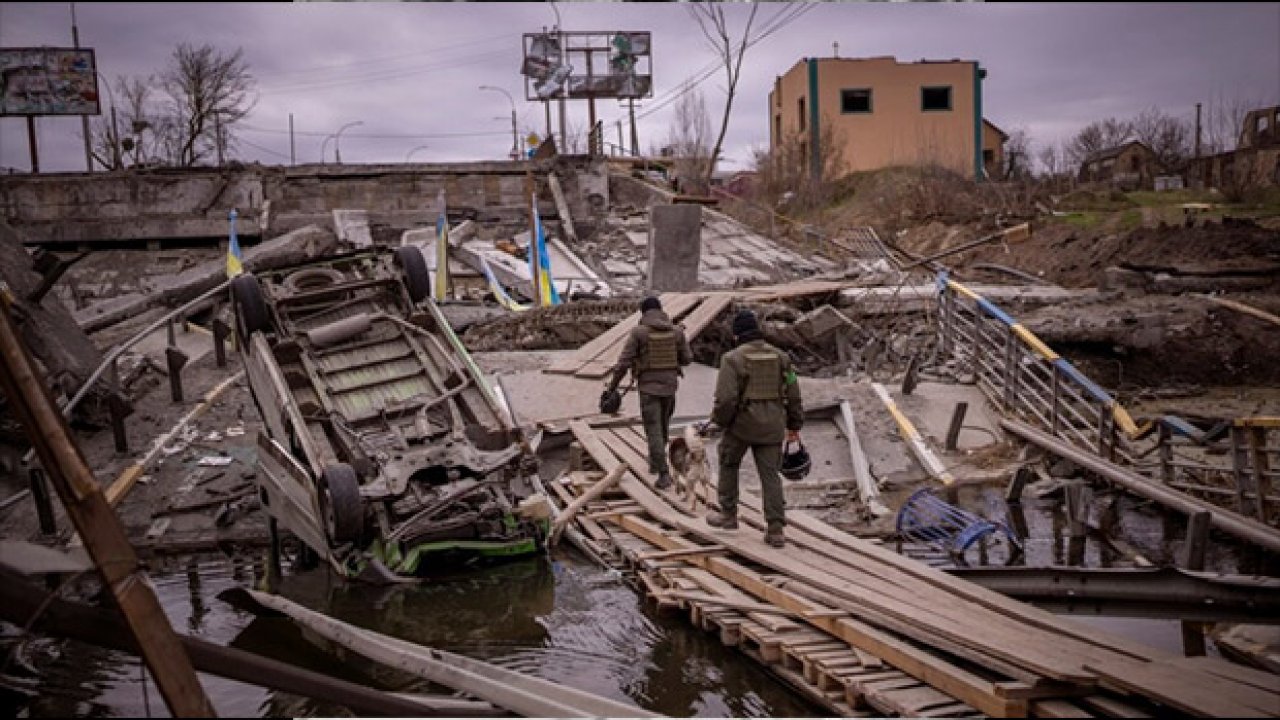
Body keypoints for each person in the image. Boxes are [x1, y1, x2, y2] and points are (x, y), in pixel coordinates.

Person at [705, 309, 803, 548]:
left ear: (737, 335)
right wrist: (794, 424)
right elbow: (793, 392)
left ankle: (728, 515)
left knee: (728, 462)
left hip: (741, 427)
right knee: (770, 475)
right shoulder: (781, 357)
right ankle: (776, 529)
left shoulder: (731, 359)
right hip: (772, 427)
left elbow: (726, 399)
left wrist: (720, 422)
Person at [605, 296, 691, 490]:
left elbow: (623, 363)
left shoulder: (639, 333)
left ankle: (663, 474)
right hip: (670, 387)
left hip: (648, 389)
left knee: (653, 429)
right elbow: (687, 359)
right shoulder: (676, 332)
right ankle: (655, 461)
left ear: (643, 313)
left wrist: (612, 387)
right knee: (663, 426)